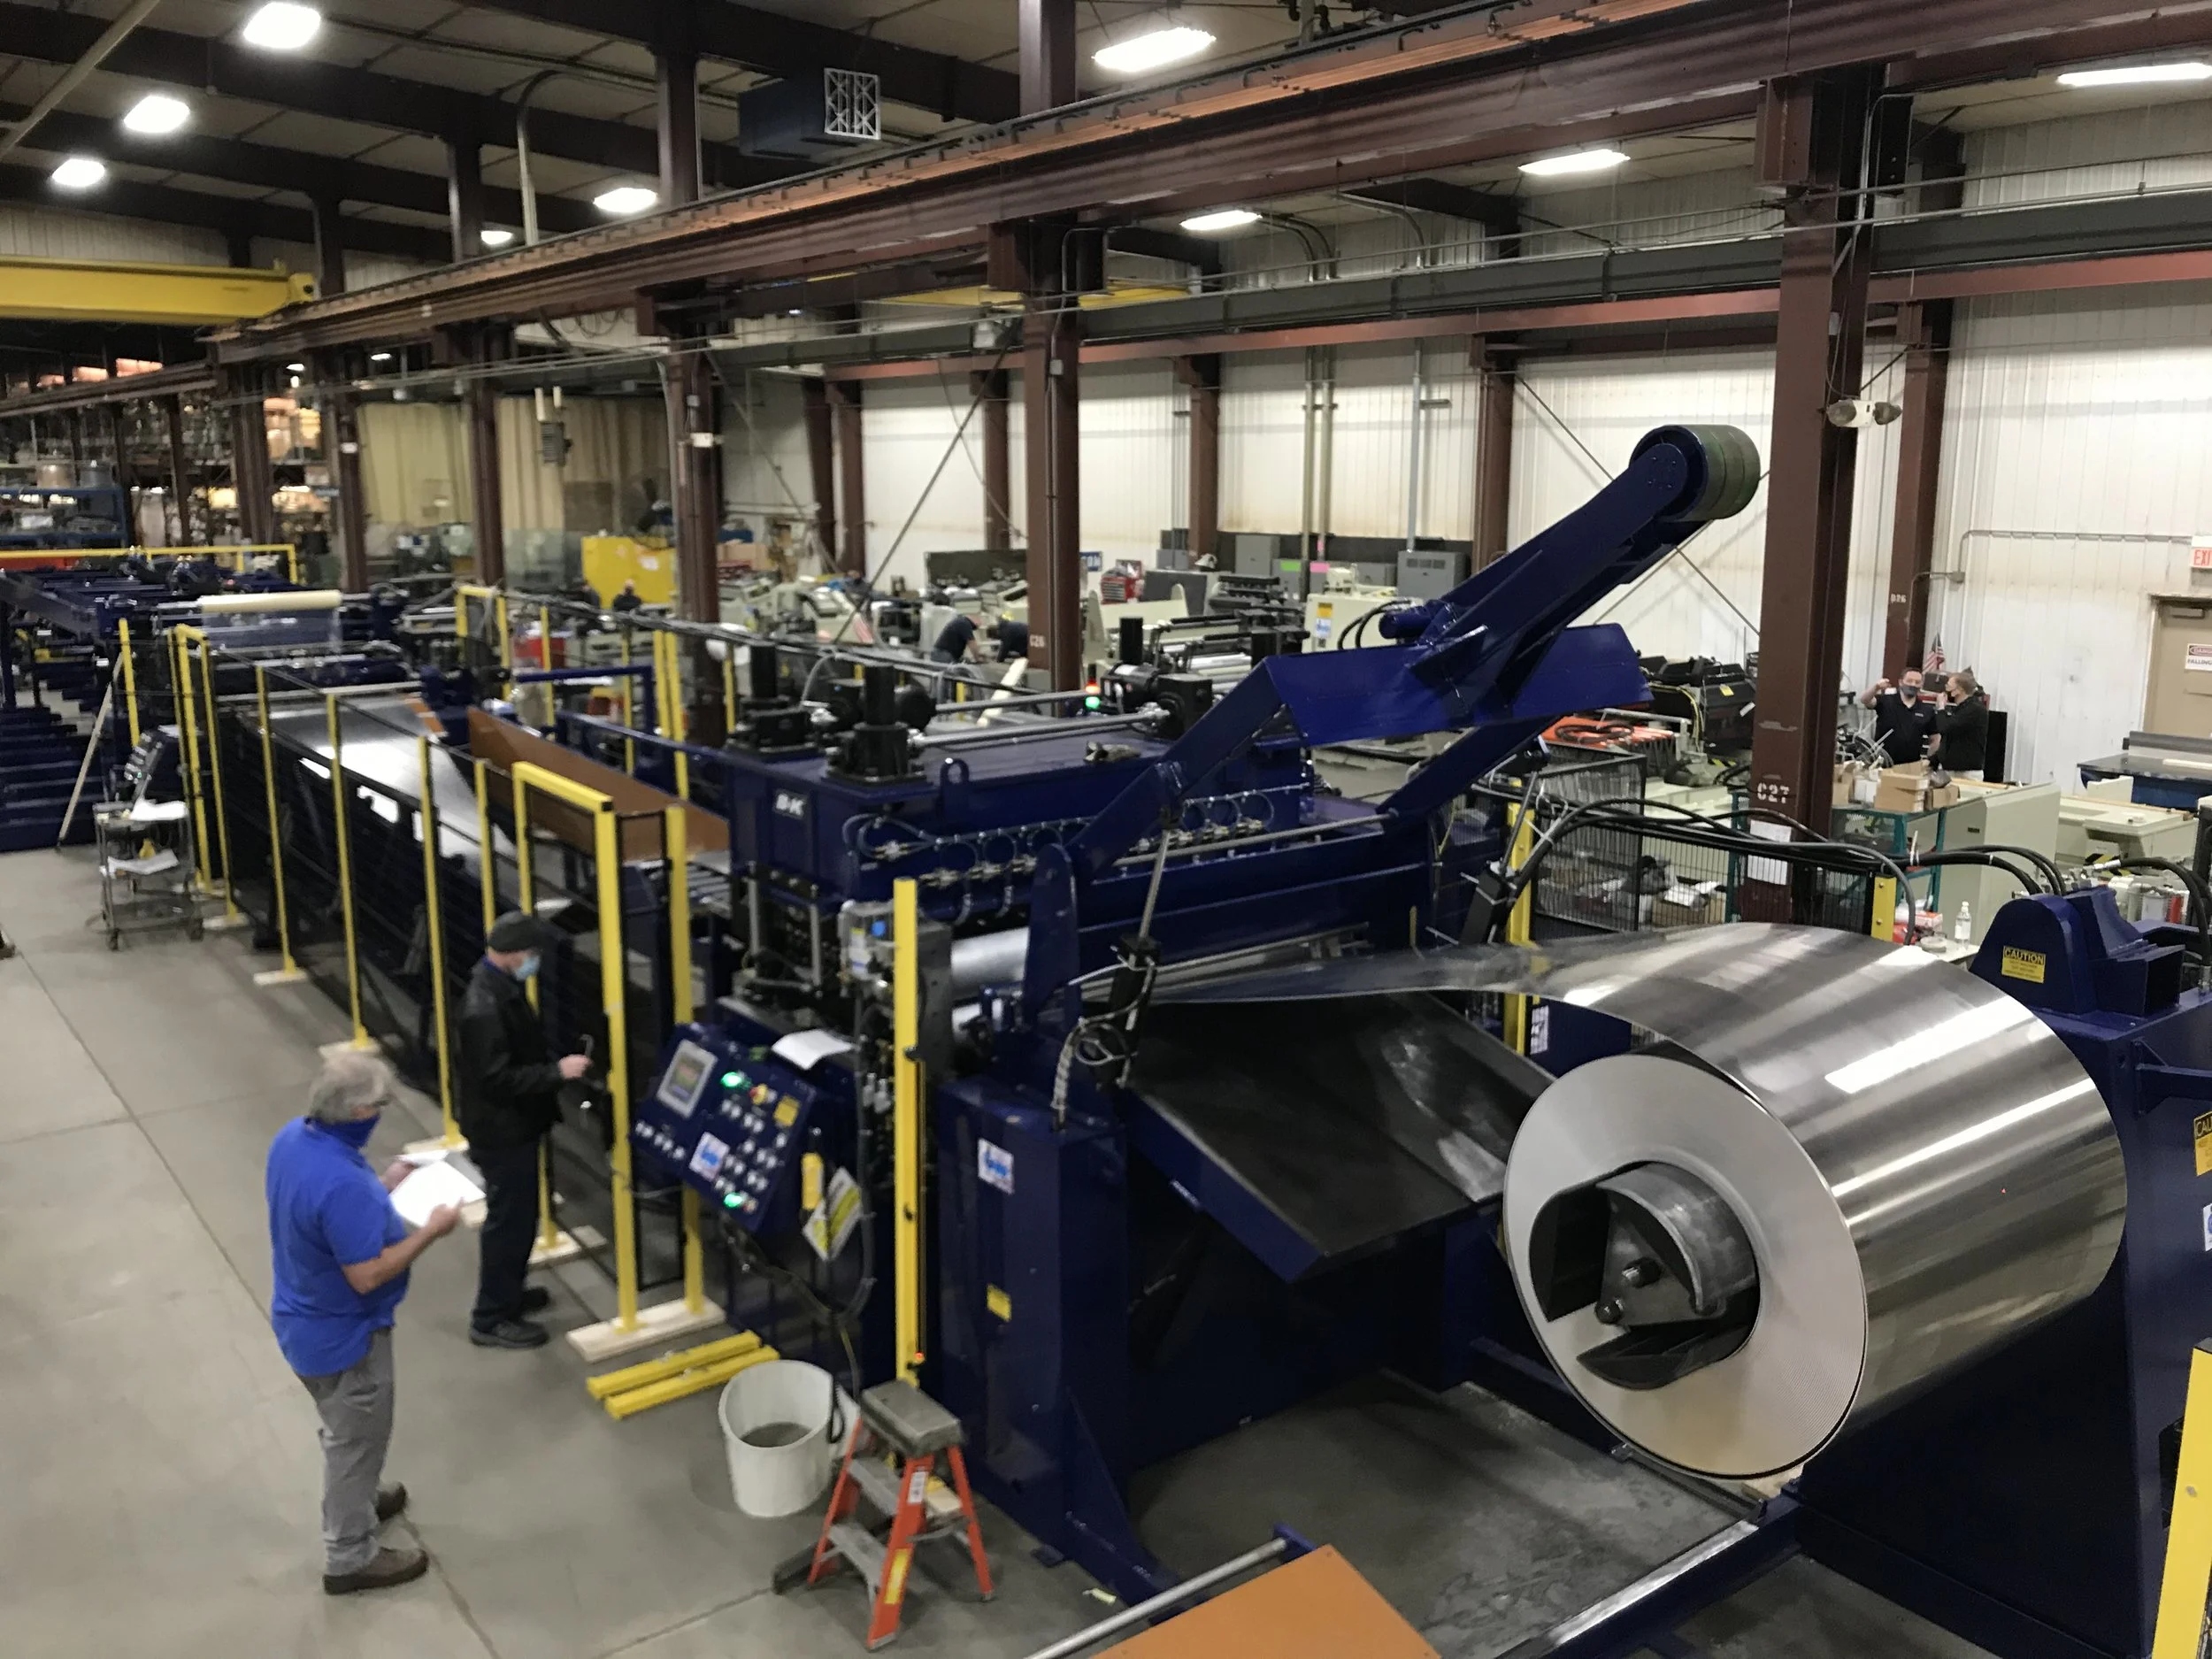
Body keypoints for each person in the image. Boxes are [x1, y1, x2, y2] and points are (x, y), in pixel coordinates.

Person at [265, 1051, 460, 1595]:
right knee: (353, 1440)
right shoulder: (340, 1183)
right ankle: (350, 1556)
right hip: (345, 1337)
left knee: (349, 1433)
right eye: (379, 1105)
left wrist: (386, 1183)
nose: (383, 1112)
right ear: (355, 1110)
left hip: (300, 1316)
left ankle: (360, 1498)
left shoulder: (294, 1141)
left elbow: (327, 1212)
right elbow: (368, 1275)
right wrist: (432, 1231)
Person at [457, 911, 591, 1349]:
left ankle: (508, 1295)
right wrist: (557, 1072)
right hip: (502, 1131)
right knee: (509, 1222)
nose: (536, 962)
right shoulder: (485, 1006)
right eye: (532, 955)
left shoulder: (501, 987)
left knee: (521, 1217)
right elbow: (496, 1079)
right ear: (515, 955)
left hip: (513, 1124)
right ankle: (491, 1318)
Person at [1858, 669, 1935, 765]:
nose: (1913, 685)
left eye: (1917, 682)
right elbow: (1865, 700)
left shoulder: (1926, 710)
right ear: (1901, 682)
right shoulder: (1886, 701)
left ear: (1921, 685)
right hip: (1882, 763)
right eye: (1909, 681)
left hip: (1911, 766)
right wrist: (1876, 687)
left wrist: (1930, 761)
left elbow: (1935, 738)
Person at [1932, 670, 1991, 780]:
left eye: (1948, 686)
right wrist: (1935, 760)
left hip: (1966, 773)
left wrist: (1940, 708)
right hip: (1951, 769)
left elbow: (1945, 728)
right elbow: (1952, 739)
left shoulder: (1974, 709)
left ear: (1958, 690)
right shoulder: (1960, 709)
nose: (1945, 689)